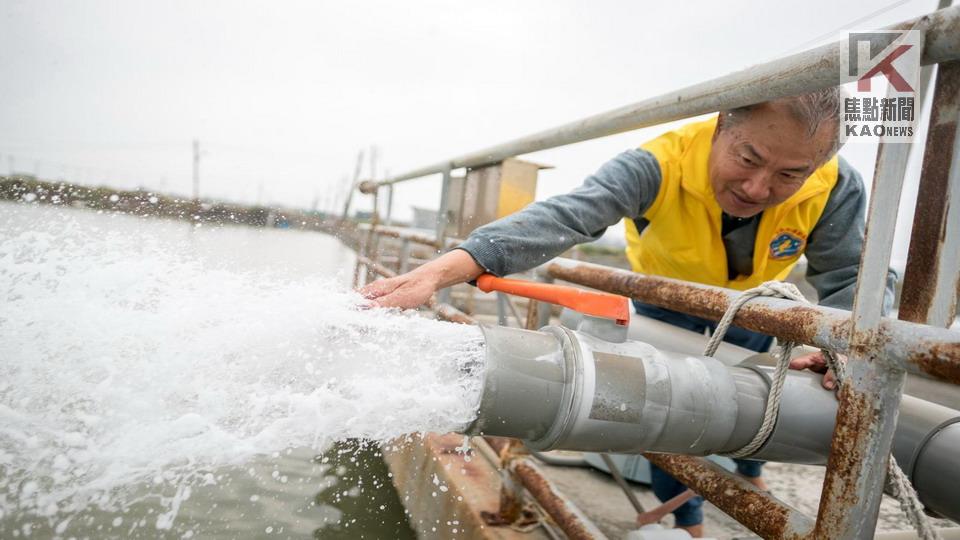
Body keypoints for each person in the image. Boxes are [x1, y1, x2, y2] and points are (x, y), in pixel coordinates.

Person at [360, 88, 897, 536]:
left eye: (789, 176)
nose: (759, 188)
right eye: (748, 159)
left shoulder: (836, 185)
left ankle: (750, 473)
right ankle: (687, 525)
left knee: (769, 397)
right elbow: (566, 216)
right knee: (678, 419)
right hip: (667, 307)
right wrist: (440, 271)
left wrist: (838, 346)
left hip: (758, 308)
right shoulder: (658, 163)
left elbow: (850, 275)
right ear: (719, 128)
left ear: (819, 164)